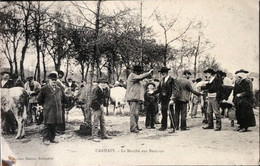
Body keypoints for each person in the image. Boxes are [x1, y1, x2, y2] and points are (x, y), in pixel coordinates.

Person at [37, 72, 67, 145]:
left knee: (54, 124)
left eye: (55, 80)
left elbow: (63, 98)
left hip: (57, 110)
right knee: (47, 124)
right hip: (48, 109)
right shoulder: (44, 88)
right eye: (52, 79)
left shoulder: (59, 89)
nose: (54, 81)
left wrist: (65, 103)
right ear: (49, 80)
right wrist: (41, 105)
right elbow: (39, 99)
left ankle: (52, 138)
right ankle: (46, 138)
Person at [125, 65, 153, 133]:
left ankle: (136, 126)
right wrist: (148, 73)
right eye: (139, 71)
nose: (139, 73)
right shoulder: (132, 75)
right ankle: (133, 128)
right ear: (136, 71)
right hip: (132, 98)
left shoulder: (136, 78)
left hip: (136, 98)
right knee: (133, 113)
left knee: (136, 113)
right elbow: (140, 77)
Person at [153, 67, 179, 133]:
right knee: (163, 112)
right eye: (162, 72)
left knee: (171, 112)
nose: (162, 73)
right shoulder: (162, 80)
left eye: (164, 72)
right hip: (163, 99)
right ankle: (163, 126)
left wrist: (172, 99)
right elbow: (159, 89)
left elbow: (175, 90)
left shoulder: (172, 80)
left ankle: (173, 126)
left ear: (167, 72)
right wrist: (152, 93)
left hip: (169, 98)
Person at [90, 78, 111, 142]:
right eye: (103, 83)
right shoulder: (96, 89)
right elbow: (94, 99)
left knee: (102, 121)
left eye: (105, 83)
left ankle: (103, 134)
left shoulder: (101, 89)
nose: (104, 84)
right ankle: (94, 136)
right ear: (99, 83)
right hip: (96, 106)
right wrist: (99, 105)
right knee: (96, 121)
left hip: (100, 106)